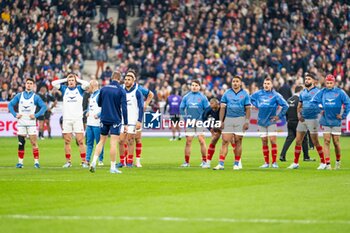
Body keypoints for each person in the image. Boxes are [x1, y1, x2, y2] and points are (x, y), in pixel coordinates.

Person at [89, 71, 128, 174]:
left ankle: (93, 162)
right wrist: (126, 124)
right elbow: (124, 108)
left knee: (101, 141)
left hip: (104, 118)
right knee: (113, 143)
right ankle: (112, 167)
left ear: (111, 78)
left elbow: (99, 103)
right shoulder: (121, 90)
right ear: (119, 79)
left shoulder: (104, 88)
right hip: (115, 119)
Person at [287, 74, 327, 169]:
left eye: (309, 79)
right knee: (298, 141)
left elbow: (324, 105)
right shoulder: (303, 92)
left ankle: (323, 162)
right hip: (303, 119)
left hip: (313, 119)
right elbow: (299, 106)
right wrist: (299, 115)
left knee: (315, 141)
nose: (307, 80)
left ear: (313, 81)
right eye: (306, 79)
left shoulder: (318, 92)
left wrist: (322, 115)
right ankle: (295, 163)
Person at [311, 74, 350, 170]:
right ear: (325, 83)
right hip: (325, 120)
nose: (329, 85)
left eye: (330, 83)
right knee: (326, 141)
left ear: (334, 83)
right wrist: (320, 109)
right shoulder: (322, 92)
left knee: (336, 142)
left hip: (336, 121)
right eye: (327, 83)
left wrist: (343, 115)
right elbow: (313, 101)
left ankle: (338, 161)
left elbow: (348, 103)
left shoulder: (340, 92)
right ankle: (327, 164)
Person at [213, 75, 251, 170]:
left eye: (237, 81)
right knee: (225, 141)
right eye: (233, 81)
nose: (235, 83)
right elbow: (222, 108)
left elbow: (247, 109)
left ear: (240, 83)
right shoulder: (227, 93)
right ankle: (221, 164)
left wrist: (246, 121)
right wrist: (221, 121)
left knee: (238, 141)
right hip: (229, 119)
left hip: (240, 119)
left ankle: (236, 163)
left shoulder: (245, 94)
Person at [52, 73, 90, 168]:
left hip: (77, 119)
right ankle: (68, 162)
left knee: (81, 141)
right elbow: (53, 83)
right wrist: (65, 78)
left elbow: (87, 84)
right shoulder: (64, 89)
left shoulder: (80, 89)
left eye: (72, 80)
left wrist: (78, 79)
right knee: (67, 141)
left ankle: (84, 161)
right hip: (67, 119)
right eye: (69, 80)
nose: (71, 82)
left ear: (75, 81)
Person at [8, 78, 47, 168]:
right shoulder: (19, 95)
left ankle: (36, 162)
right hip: (21, 123)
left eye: (30, 83)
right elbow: (10, 105)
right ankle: (20, 163)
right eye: (27, 83)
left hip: (31, 123)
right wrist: (15, 114)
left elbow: (44, 107)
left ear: (33, 85)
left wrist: (36, 115)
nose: (29, 85)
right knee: (21, 143)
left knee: (33, 142)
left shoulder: (35, 97)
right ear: (25, 85)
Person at [251, 77, 288, 168]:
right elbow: (250, 99)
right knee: (264, 141)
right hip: (261, 121)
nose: (266, 85)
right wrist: (256, 105)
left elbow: (286, 105)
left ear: (271, 85)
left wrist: (279, 116)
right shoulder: (258, 93)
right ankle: (266, 163)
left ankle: (274, 162)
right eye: (265, 83)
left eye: (268, 84)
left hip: (271, 121)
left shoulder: (276, 95)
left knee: (272, 140)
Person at [125, 69, 154, 167]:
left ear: (134, 79)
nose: (128, 79)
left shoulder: (139, 88)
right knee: (126, 139)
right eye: (127, 76)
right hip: (126, 117)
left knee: (137, 139)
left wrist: (146, 104)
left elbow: (151, 94)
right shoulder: (123, 88)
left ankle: (137, 160)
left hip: (137, 116)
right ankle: (126, 159)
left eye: (130, 76)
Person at [179, 80, 210, 167]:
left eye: (196, 85)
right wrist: (186, 118)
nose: (194, 87)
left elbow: (207, 110)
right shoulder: (186, 97)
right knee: (188, 142)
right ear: (190, 86)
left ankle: (204, 162)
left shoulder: (203, 97)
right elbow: (181, 108)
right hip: (190, 122)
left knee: (201, 140)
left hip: (200, 122)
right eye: (193, 85)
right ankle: (186, 162)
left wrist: (201, 119)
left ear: (199, 87)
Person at [279, 85, 313, 162]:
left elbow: (285, 111)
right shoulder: (300, 101)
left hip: (290, 122)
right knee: (304, 139)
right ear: (301, 91)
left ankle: (282, 155)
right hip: (298, 122)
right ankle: (306, 157)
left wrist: (288, 120)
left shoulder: (288, 100)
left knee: (289, 139)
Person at [119, 71, 144, 167]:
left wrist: (139, 120)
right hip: (122, 121)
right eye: (125, 79)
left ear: (133, 81)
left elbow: (141, 107)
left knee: (130, 140)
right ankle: (122, 162)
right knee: (121, 141)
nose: (126, 81)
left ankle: (129, 161)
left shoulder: (137, 92)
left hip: (133, 120)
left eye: (129, 79)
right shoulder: (121, 91)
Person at [85, 80, 104, 166]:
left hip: (97, 123)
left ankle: (100, 160)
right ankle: (87, 160)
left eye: (89, 86)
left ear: (93, 86)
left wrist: (99, 115)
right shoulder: (92, 95)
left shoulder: (100, 94)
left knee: (99, 142)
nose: (88, 88)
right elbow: (90, 106)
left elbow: (105, 107)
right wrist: (88, 111)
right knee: (89, 142)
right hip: (90, 122)